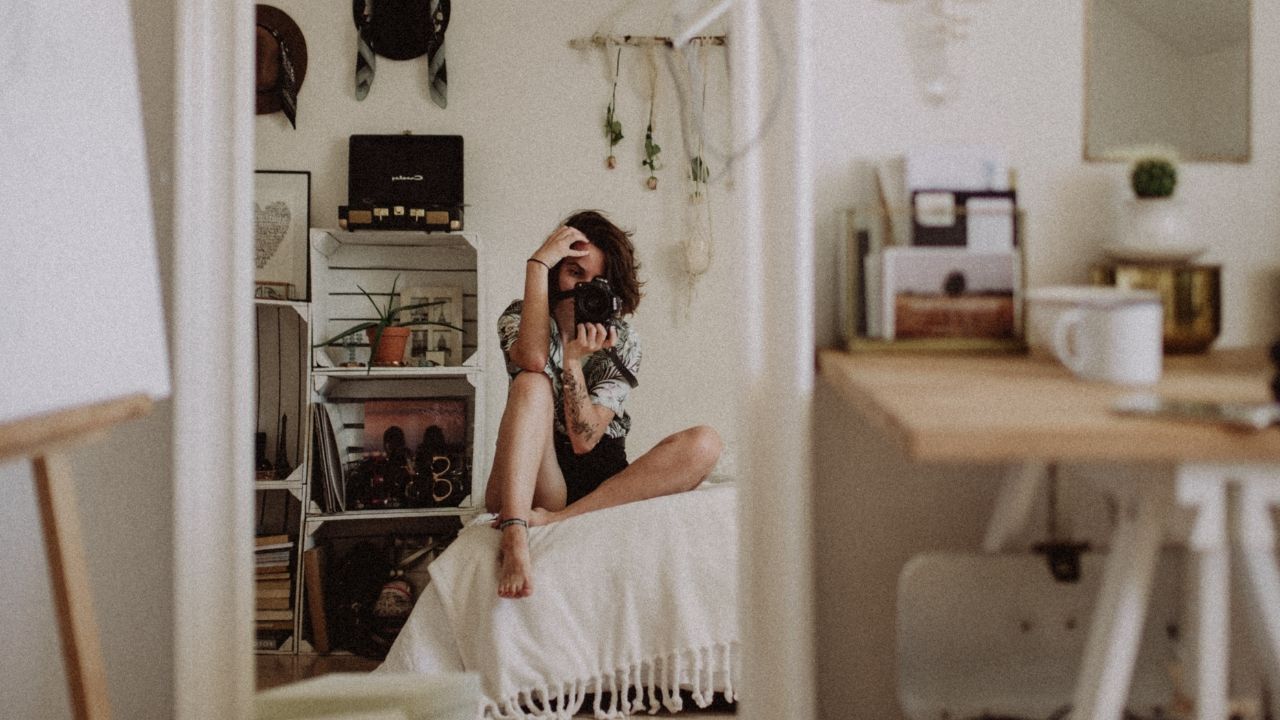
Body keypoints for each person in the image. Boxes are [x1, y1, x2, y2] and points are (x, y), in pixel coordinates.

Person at [485, 210, 722, 599]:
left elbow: (586, 440)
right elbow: (532, 359)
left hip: (601, 481)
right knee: (531, 382)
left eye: (597, 282)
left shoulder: (623, 338)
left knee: (706, 442)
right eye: (574, 273)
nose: (583, 290)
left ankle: (559, 520)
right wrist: (536, 264)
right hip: (535, 475)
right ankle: (515, 533)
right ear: (556, 272)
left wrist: (573, 362)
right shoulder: (520, 317)